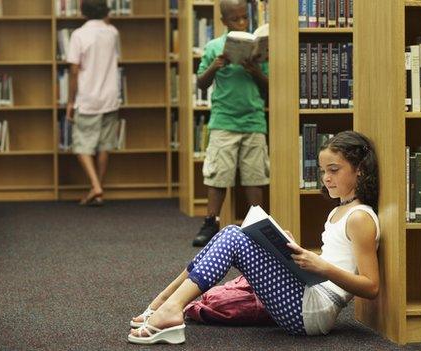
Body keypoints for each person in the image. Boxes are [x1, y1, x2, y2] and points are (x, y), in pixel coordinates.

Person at [128, 130, 381, 344]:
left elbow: (371, 286)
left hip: (315, 311)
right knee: (230, 232)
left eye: (334, 170)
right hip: (310, 293)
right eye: (324, 170)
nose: (326, 178)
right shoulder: (339, 210)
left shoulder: (360, 217)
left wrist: (320, 266)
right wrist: (294, 251)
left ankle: (170, 307)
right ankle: (164, 302)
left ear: (359, 170)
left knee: (233, 238)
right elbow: (337, 262)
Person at [192, 0, 270, 246]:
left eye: (244, 18)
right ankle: (210, 222)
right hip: (224, 121)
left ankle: (257, 225)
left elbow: (268, 88)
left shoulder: (257, 49)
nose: (242, 23)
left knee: (255, 176)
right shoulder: (214, 47)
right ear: (224, 21)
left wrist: (255, 69)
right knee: (219, 176)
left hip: (253, 120)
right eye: (235, 19)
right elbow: (201, 84)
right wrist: (215, 66)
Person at [66, 0, 120, 206]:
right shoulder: (112, 32)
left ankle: (96, 187)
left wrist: (71, 101)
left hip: (88, 98)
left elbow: (73, 71)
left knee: (82, 146)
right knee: (104, 146)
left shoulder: (78, 35)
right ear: (106, 10)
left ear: (83, 11)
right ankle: (97, 189)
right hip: (110, 97)